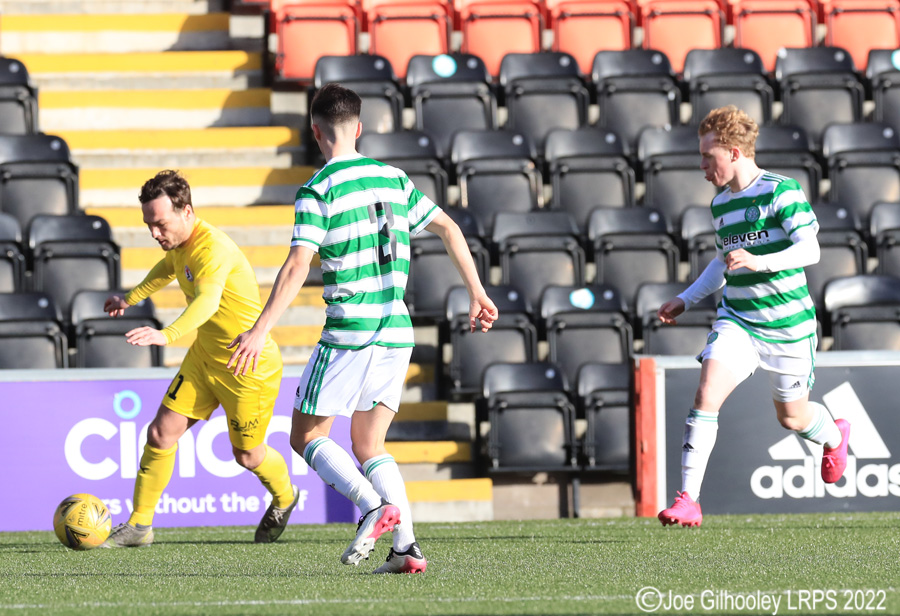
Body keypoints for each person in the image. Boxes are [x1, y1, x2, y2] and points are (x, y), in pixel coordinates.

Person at [226, 83, 498, 573]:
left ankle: (370, 506)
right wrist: (478, 292)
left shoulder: (319, 188)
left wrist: (261, 329)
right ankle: (406, 549)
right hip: (397, 327)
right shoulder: (393, 178)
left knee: (304, 435)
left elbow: (296, 265)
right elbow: (450, 230)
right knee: (370, 444)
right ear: (360, 127)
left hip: (352, 327)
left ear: (315, 131)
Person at [656, 106, 851, 528]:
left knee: (793, 419)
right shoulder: (721, 204)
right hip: (739, 321)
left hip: (788, 327)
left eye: (709, 156)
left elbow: (811, 250)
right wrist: (686, 299)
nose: (703, 166)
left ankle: (834, 435)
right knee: (706, 392)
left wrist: (761, 262)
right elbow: (723, 263)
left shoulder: (782, 190)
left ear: (734, 152)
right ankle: (688, 500)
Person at [100, 169, 300, 547]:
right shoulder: (180, 246)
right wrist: (132, 298)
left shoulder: (213, 249)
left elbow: (208, 302)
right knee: (160, 432)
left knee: (248, 456)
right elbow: (168, 268)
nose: (155, 234)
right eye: (149, 225)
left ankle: (286, 496)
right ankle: (140, 525)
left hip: (246, 366)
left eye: (160, 224)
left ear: (186, 211)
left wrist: (166, 334)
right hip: (204, 358)